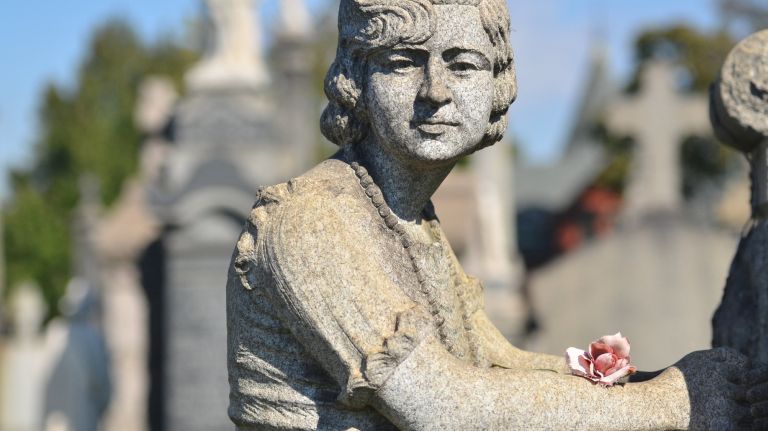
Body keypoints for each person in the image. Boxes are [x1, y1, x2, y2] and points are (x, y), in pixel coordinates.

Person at [226, 0, 768, 428]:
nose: (435, 92)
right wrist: (672, 403)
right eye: (401, 62)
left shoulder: (413, 226)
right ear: (356, 82)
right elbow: (443, 406)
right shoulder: (314, 219)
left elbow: (499, 364)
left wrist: (665, 379)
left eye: (462, 64)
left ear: (495, 86)